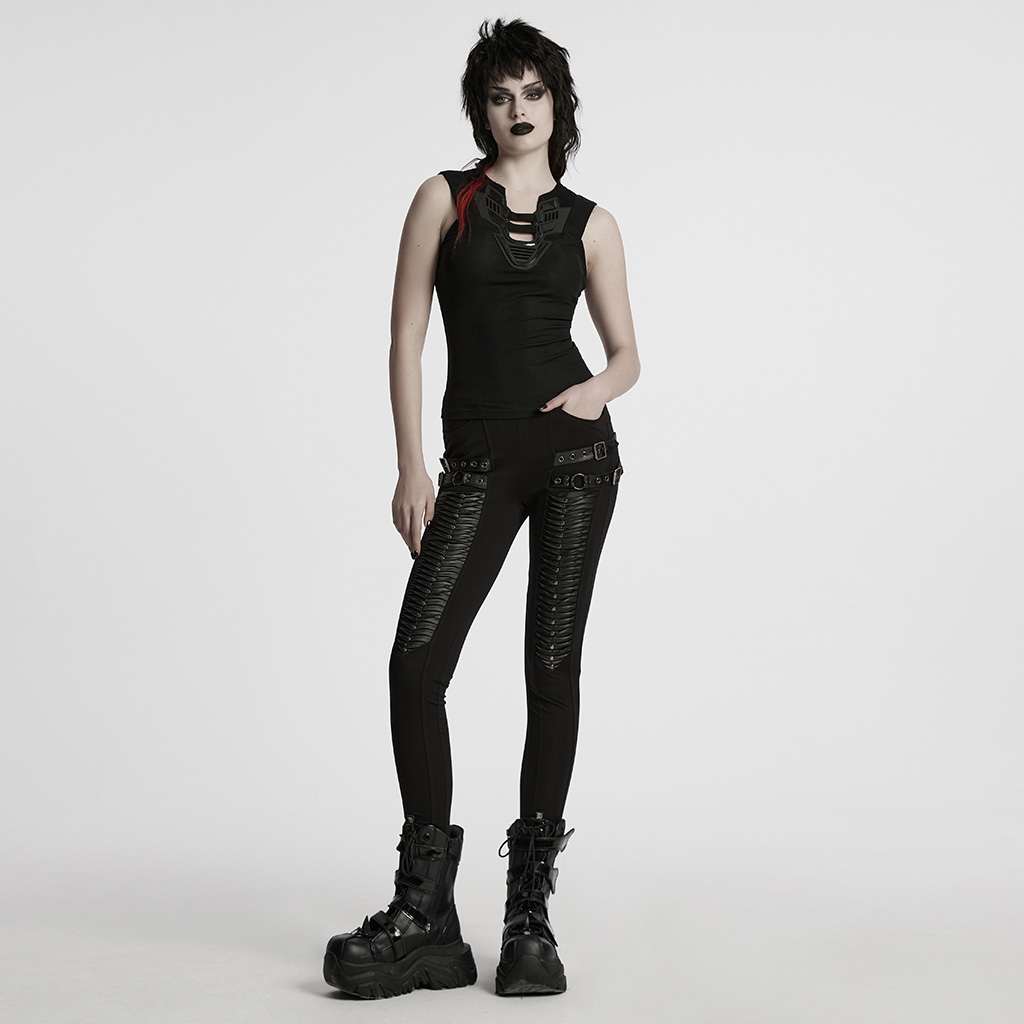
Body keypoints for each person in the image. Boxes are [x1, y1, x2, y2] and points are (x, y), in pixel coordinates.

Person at [323, 17, 641, 1000]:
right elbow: (405, 334)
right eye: (501, 96)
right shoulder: (443, 199)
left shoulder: (593, 223)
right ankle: (427, 914)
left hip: (577, 460)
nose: (517, 110)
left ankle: (528, 918)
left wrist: (595, 392)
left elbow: (628, 356)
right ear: (483, 110)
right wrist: (410, 466)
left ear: (556, 105)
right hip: (475, 462)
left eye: (532, 93)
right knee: (417, 662)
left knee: (551, 668)